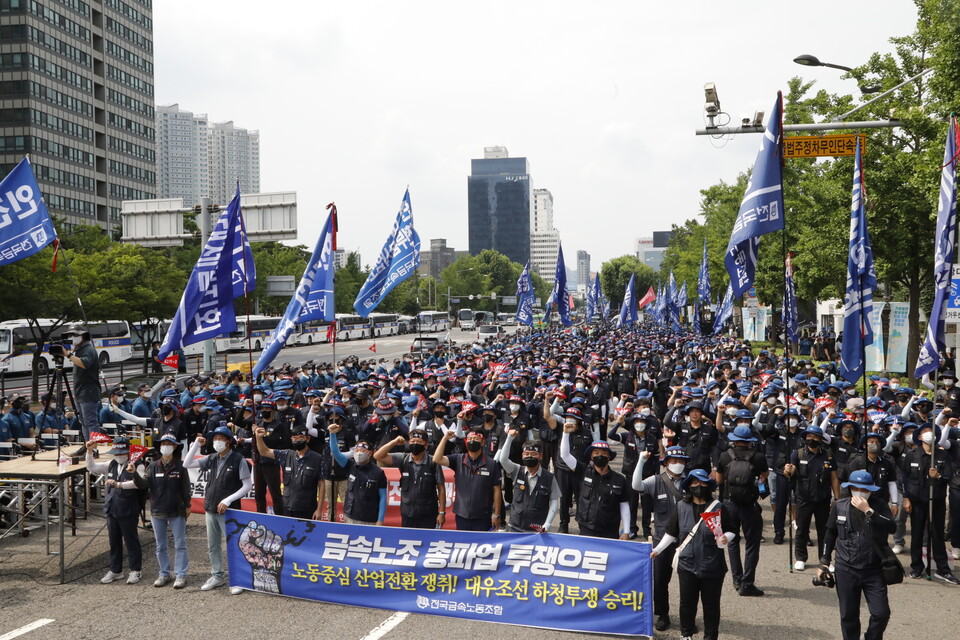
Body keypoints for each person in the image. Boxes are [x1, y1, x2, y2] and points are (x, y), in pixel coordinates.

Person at [649, 468, 735, 640]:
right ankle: (686, 634)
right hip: (687, 564)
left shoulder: (719, 507)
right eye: (695, 483)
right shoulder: (681, 506)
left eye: (703, 482)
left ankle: (710, 637)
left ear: (709, 486)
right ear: (689, 486)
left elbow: (731, 529)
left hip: (713, 565)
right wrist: (657, 550)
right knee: (687, 603)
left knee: (711, 605)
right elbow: (671, 532)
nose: (699, 486)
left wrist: (726, 538)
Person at [818, 470, 896, 640]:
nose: (860, 492)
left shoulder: (880, 505)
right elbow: (830, 534)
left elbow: (892, 527)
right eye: (856, 488)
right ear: (850, 487)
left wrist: (868, 511)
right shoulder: (839, 505)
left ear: (871, 489)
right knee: (848, 616)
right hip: (846, 568)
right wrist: (824, 562)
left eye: (864, 489)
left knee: (881, 613)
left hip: (873, 569)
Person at [183, 426, 253, 594]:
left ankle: (238, 579)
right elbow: (187, 464)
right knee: (213, 545)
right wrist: (195, 445)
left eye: (221, 439)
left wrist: (228, 500)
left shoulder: (238, 459)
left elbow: (247, 485)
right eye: (215, 439)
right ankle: (217, 576)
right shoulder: (212, 458)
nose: (217, 442)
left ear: (229, 441)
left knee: (233, 545)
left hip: (229, 511)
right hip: (210, 508)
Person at [634, 445, 688, 632]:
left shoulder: (692, 481)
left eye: (681, 461)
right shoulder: (656, 480)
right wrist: (641, 461)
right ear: (666, 463)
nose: (678, 464)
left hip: (686, 539)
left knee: (688, 581)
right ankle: (662, 614)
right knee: (660, 580)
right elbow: (636, 486)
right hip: (661, 538)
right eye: (674, 461)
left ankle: (687, 618)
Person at [715, 424, 768, 596]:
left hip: (729, 504)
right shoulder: (758, 457)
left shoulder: (724, 456)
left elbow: (718, 479)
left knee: (732, 541)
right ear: (749, 441)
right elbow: (764, 475)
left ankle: (736, 579)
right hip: (749, 505)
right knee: (752, 544)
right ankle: (748, 583)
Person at [901, 423, 958, 583]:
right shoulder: (912, 454)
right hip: (917, 500)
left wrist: (938, 476)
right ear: (919, 437)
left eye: (931, 431)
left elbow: (949, 475)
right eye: (925, 432)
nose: (928, 434)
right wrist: (905, 498)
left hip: (937, 500)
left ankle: (943, 569)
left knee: (937, 535)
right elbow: (905, 477)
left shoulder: (943, 455)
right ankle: (917, 567)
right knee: (917, 535)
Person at [132, 433, 191, 589]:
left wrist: (187, 505)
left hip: (176, 511)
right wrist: (133, 474)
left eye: (169, 444)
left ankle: (180, 574)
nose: (166, 446)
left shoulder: (180, 466)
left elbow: (186, 488)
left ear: (174, 447)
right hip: (157, 510)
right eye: (163, 443)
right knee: (160, 545)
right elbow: (143, 485)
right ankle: (164, 573)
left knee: (180, 544)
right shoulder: (152, 466)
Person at [85, 436, 143, 585]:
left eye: (122, 453)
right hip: (112, 508)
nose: (119, 456)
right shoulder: (110, 464)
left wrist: (119, 485)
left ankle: (136, 570)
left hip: (128, 508)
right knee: (114, 541)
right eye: (116, 453)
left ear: (128, 451)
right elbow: (91, 467)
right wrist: (89, 452)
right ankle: (116, 570)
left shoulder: (137, 464)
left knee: (131, 540)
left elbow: (139, 483)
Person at [559, 425, 631, 540]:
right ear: (591, 456)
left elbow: (624, 505)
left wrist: (626, 531)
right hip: (586, 528)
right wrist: (565, 434)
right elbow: (565, 456)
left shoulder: (619, 479)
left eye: (603, 453)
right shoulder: (582, 471)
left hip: (610, 530)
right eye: (596, 453)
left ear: (609, 456)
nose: (600, 455)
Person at [784, 425, 840, 571]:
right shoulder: (798, 454)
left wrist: (837, 498)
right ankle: (800, 558)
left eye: (815, 437)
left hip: (823, 499)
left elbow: (834, 478)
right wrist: (788, 470)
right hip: (804, 498)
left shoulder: (828, 455)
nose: (812, 440)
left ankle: (825, 559)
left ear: (821, 439)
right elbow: (791, 471)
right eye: (809, 437)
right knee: (802, 529)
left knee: (825, 531)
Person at [433, 427, 502, 531]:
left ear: (483, 442)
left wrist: (496, 514)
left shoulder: (491, 464)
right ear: (465, 442)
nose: (472, 441)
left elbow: (497, 490)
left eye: (476, 439)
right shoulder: (458, 459)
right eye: (470, 439)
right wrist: (445, 438)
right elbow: (437, 458)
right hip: (462, 514)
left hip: (483, 516)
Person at [375, 429, 447, 528]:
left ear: (425, 445)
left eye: (419, 442)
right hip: (407, 513)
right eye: (412, 441)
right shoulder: (403, 458)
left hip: (428, 514)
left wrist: (442, 513)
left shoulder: (433, 462)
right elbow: (378, 456)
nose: (415, 444)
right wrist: (394, 442)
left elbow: (441, 488)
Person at [254, 423, 326, 520]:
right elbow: (264, 451)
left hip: (307, 509)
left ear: (307, 439)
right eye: (295, 437)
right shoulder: (286, 454)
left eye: (301, 437)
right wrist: (258, 438)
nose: (297, 440)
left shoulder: (317, 458)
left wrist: (319, 509)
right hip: (287, 507)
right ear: (291, 439)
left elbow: (321, 484)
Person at [496, 429, 560, 532]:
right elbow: (503, 459)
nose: (530, 456)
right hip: (515, 527)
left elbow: (554, 502)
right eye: (527, 454)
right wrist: (509, 438)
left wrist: (547, 524)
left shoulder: (549, 477)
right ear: (522, 455)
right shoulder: (517, 471)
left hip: (537, 530)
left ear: (540, 456)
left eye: (534, 454)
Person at [328, 424, 387, 525]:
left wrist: (380, 520)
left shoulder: (378, 472)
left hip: (370, 519)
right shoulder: (349, 465)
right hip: (350, 516)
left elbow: (383, 497)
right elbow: (335, 453)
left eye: (363, 451)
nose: (359, 453)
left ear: (370, 453)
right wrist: (332, 434)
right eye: (357, 450)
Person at [64, 324, 101, 440]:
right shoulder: (79, 350)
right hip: (80, 392)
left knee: (90, 421)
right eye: (70, 335)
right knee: (83, 422)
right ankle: (88, 446)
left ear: (83, 336)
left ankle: (93, 447)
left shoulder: (88, 349)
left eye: (75, 335)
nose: (72, 337)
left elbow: (84, 363)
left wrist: (67, 354)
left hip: (88, 392)